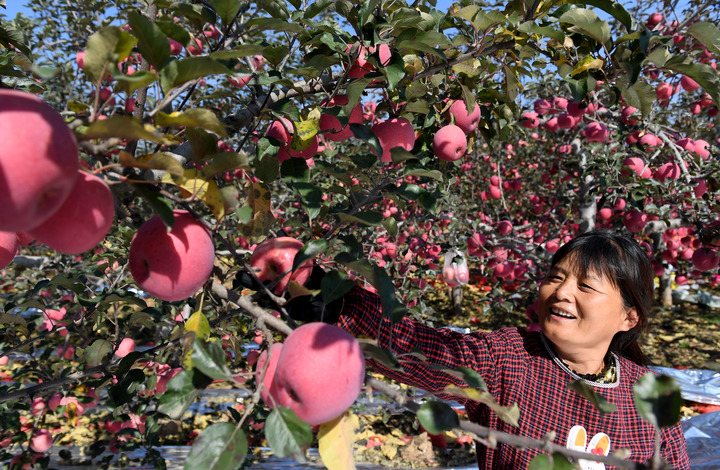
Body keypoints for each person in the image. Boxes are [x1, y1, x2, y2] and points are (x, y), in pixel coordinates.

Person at [283, 230, 690, 469]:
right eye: (555, 277)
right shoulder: (509, 359)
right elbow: (427, 353)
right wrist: (337, 303)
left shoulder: (649, 395)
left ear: (628, 318)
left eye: (585, 286)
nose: (562, 292)